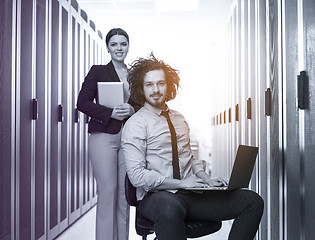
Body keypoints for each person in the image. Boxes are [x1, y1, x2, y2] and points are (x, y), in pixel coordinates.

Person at [121, 53, 264, 240]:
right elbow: (137, 176)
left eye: (161, 83)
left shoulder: (179, 118)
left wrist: (207, 179)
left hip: (189, 194)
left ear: (168, 85)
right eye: (149, 84)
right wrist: (181, 183)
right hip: (155, 197)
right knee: (169, 208)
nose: (156, 89)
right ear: (141, 88)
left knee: (252, 201)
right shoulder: (136, 124)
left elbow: (188, 158)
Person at [77, 28, 136, 240]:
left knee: (123, 194)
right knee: (108, 191)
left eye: (123, 44)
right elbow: (81, 103)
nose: (119, 48)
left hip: (129, 138)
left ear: (128, 46)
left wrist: (133, 109)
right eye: (114, 44)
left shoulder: (136, 74)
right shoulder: (98, 71)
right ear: (108, 47)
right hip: (103, 136)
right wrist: (109, 112)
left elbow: (142, 103)